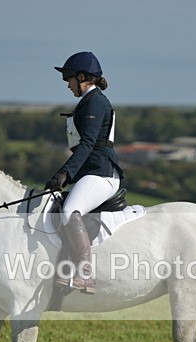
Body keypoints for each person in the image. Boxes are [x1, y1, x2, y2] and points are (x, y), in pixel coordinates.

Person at [45, 51, 123, 294]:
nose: (67, 85)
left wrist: (64, 173)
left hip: (101, 173)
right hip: (91, 172)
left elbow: (88, 144)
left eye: (69, 79)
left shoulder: (96, 102)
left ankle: (85, 273)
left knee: (70, 210)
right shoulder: (88, 102)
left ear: (82, 77)